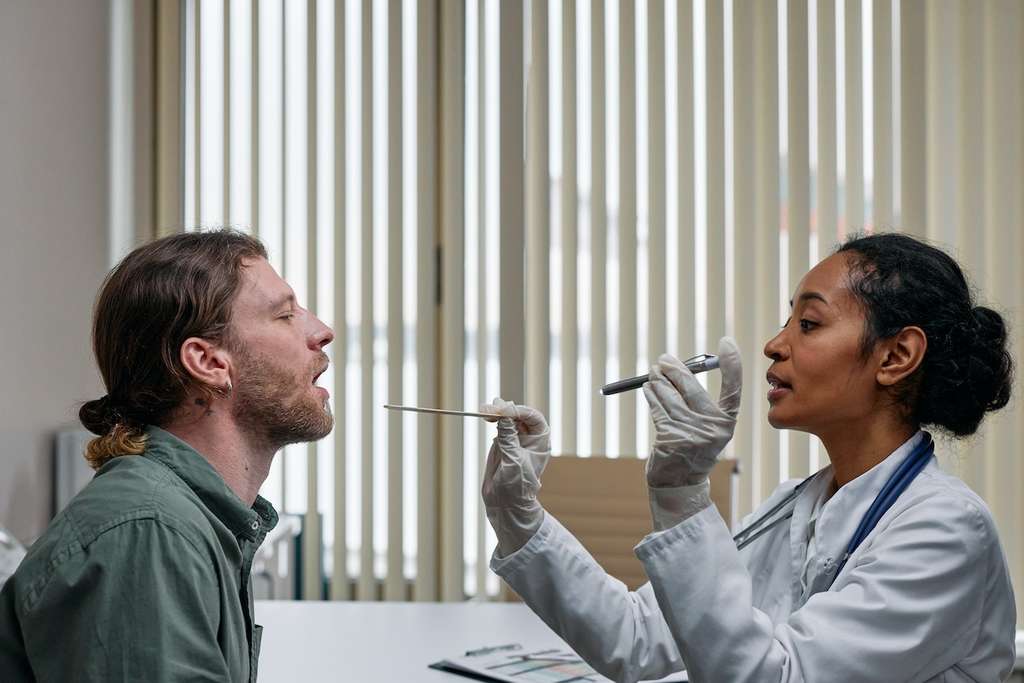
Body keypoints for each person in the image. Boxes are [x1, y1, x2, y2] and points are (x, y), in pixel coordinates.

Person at [481, 232, 1016, 682]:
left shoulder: (944, 531)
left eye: (808, 324)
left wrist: (684, 496)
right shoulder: (796, 505)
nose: (773, 345)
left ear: (896, 355)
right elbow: (638, 638)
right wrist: (519, 517)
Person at [0, 230, 335, 682]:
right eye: (285, 315)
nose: (321, 332)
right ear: (209, 362)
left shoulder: (198, 521)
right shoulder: (148, 532)